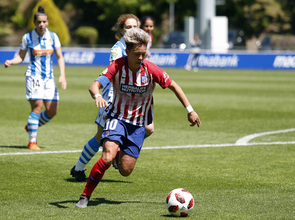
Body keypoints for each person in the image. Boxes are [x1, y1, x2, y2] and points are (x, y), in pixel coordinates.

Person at [75, 28, 201, 208]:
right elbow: (94, 86)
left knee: (126, 171)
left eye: (143, 54)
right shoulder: (117, 66)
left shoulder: (150, 69)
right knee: (107, 156)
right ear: (127, 52)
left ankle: (120, 153)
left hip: (138, 124)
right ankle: (85, 196)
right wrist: (97, 96)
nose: (141, 58)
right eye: (137, 54)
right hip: (116, 118)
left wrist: (190, 110)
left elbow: (173, 85)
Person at [70, 14, 140, 181]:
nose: (131, 30)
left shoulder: (138, 46)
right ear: (121, 30)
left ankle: (118, 153)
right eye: (127, 27)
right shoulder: (117, 49)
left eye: (134, 27)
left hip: (129, 97)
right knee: (100, 136)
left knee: (149, 128)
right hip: (113, 97)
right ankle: (79, 168)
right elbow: (121, 72)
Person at [4, 5, 67, 150]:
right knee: (38, 107)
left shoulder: (53, 37)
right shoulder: (27, 37)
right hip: (34, 77)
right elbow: (20, 57)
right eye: (39, 22)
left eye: (44, 22)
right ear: (35, 23)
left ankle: (31, 125)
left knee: (52, 111)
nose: (42, 24)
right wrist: (11, 62)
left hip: (49, 78)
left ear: (48, 22)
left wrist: (62, 76)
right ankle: (32, 142)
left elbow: (59, 57)